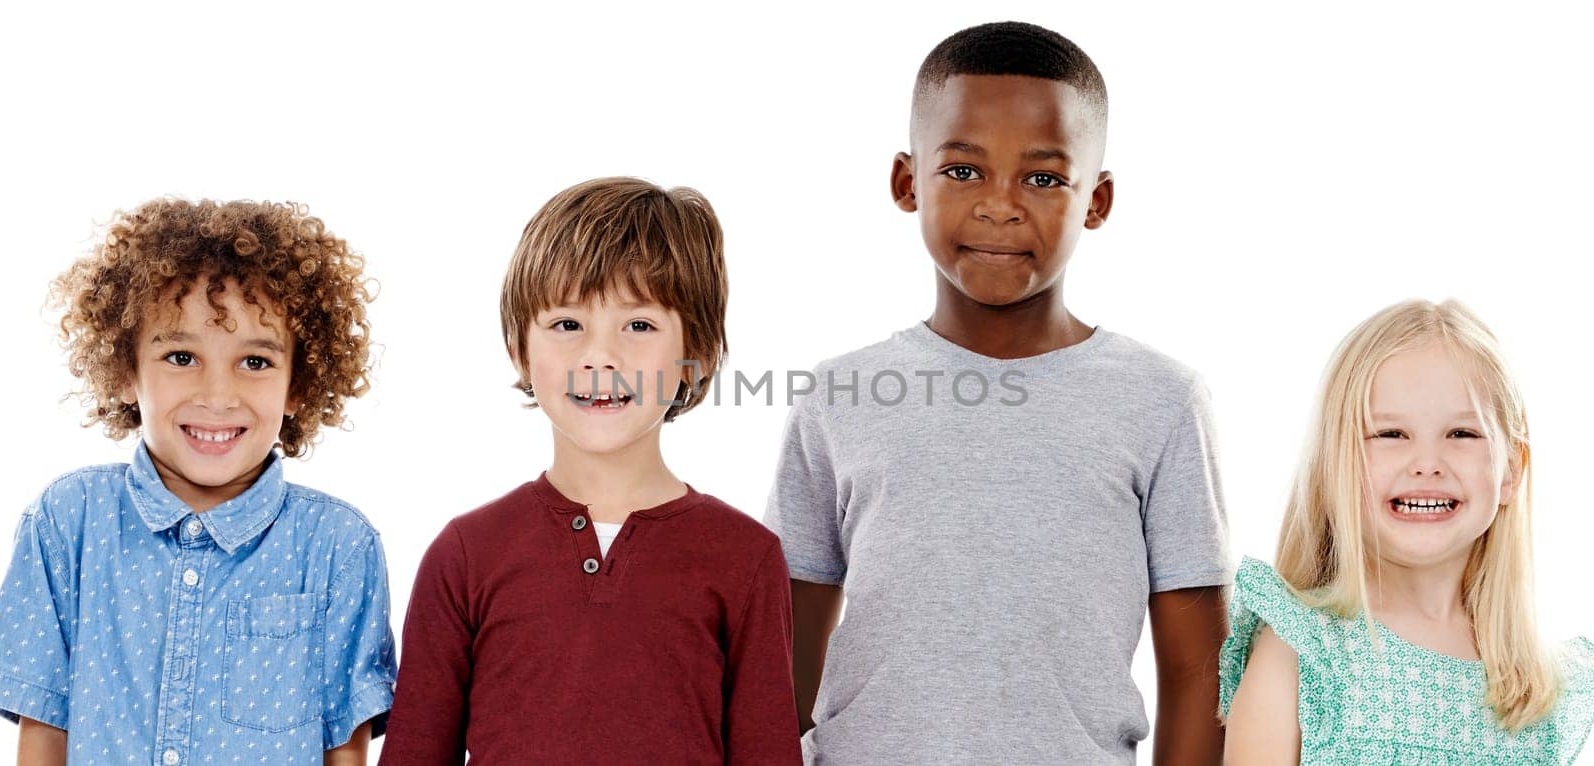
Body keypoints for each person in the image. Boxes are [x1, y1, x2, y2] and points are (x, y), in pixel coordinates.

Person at [764, 21, 1231, 765]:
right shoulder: (838, 395)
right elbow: (784, 652)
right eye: (963, 171)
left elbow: (1196, 668)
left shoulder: (1163, 401)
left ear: (1097, 199)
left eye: (1043, 178)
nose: (1001, 206)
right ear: (906, 182)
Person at [379, 177, 801, 764]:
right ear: (520, 350)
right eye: (568, 324)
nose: (600, 356)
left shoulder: (745, 558)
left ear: (694, 357)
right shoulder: (465, 555)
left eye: (639, 325)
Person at [0, 198, 396, 765]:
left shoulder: (338, 547)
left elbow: (343, 750)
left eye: (254, 362)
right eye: (181, 355)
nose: (216, 396)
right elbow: (43, 736)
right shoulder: (67, 522)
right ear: (127, 371)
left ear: (298, 384)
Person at [1222, 299, 1594, 764]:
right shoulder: (1302, 654)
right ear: (1336, 464)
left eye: (1462, 434)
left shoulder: (1547, 685)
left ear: (1510, 471)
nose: (1427, 465)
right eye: (1390, 434)